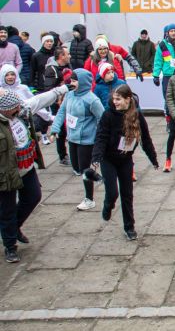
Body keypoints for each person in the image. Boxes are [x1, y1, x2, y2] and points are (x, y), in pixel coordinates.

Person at [0, 83, 69, 262]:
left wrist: (63, 89)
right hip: (6, 174)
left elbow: (39, 100)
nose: (19, 108)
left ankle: (14, 227)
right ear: (4, 109)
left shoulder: (21, 110)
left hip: (27, 166)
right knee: (6, 210)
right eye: (14, 107)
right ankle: (10, 246)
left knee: (33, 196)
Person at [91, 84, 158, 240]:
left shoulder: (137, 115)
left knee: (127, 194)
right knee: (112, 193)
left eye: (119, 99)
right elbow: (100, 137)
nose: (115, 102)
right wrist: (96, 158)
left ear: (128, 99)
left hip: (125, 159)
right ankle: (108, 206)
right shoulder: (108, 115)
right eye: (114, 99)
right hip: (109, 159)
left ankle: (129, 227)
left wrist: (153, 158)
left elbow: (146, 139)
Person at [50, 69, 105, 210]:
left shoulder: (92, 100)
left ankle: (89, 199)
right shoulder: (69, 95)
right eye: (71, 80)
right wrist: (55, 129)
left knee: (85, 169)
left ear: (83, 82)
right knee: (77, 169)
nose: (72, 83)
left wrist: (99, 137)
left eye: (75, 81)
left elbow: (103, 119)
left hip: (87, 140)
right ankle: (99, 178)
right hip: (72, 138)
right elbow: (61, 111)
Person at [2, 63, 54, 145]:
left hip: (26, 123)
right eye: (7, 75)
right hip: (8, 126)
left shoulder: (23, 88)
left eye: (12, 74)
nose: (10, 77)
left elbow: (36, 103)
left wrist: (48, 116)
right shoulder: (1, 91)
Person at [43, 47, 72, 165]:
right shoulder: (52, 70)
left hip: (65, 101)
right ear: (61, 56)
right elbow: (48, 89)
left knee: (65, 129)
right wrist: (60, 92)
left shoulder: (64, 67)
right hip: (57, 105)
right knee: (61, 130)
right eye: (67, 54)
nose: (70, 56)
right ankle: (63, 156)